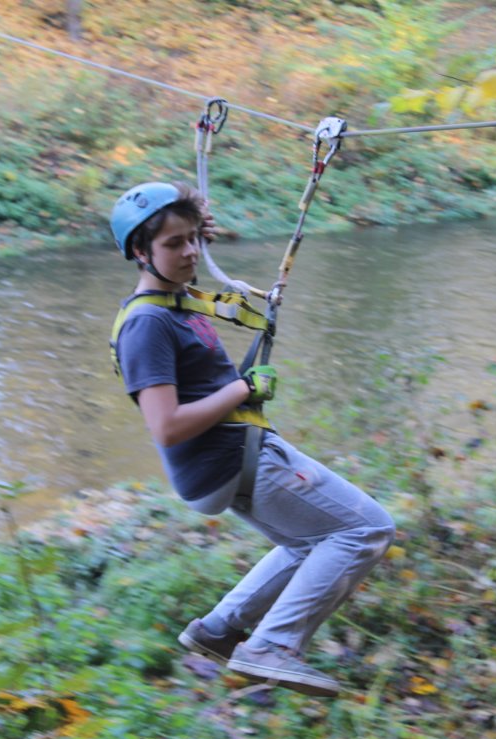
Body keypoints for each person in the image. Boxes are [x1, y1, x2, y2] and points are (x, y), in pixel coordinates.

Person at [109, 180, 396, 697]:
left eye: (194, 239)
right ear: (140, 253)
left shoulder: (177, 301)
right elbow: (166, 426)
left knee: (307, 543)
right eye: (174, 244)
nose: (190, 251)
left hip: (227, 461)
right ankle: (272, 646)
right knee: (366, 529)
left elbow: (196, 249)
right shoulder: (147, 324)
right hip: (235, 457)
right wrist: (244, 388)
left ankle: (217, 631)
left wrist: (193, 220)